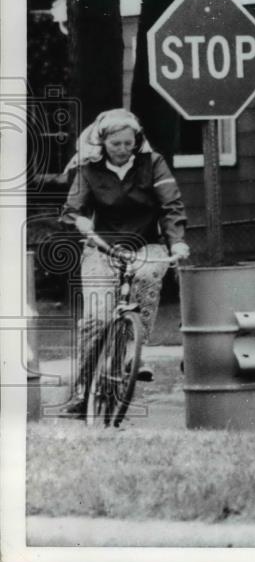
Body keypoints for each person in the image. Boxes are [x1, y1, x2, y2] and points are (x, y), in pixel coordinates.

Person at [60, 109, 190, 416]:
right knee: (98, 318)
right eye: (116, 144)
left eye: (128, 143)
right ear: (103, 142)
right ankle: (81, 391)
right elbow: (72, 208)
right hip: (103, 248)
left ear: (137, 141)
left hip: (147, 244)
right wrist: (80, 222)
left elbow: (171, 205)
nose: (122, 150)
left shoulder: (153, 164)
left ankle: (135, 352)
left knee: (148, 277)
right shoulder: (89, 169)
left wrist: (178, 241)